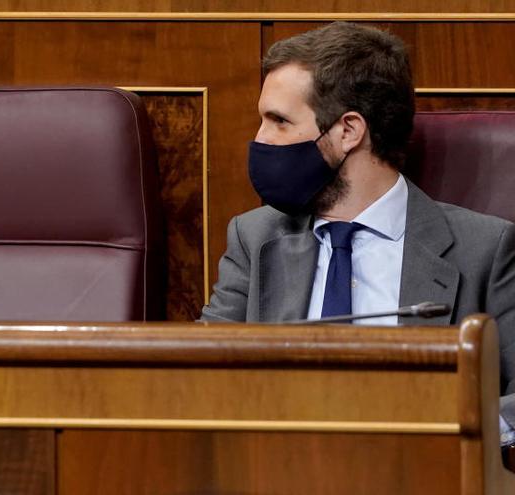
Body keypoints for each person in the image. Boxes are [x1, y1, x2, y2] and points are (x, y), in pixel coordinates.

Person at [198, 22, 515, 441]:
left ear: (348, 131)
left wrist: (449, 435)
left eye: (278, 121)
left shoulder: (484, 249)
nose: (260, 139)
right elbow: (198, 374)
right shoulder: (254, 238)